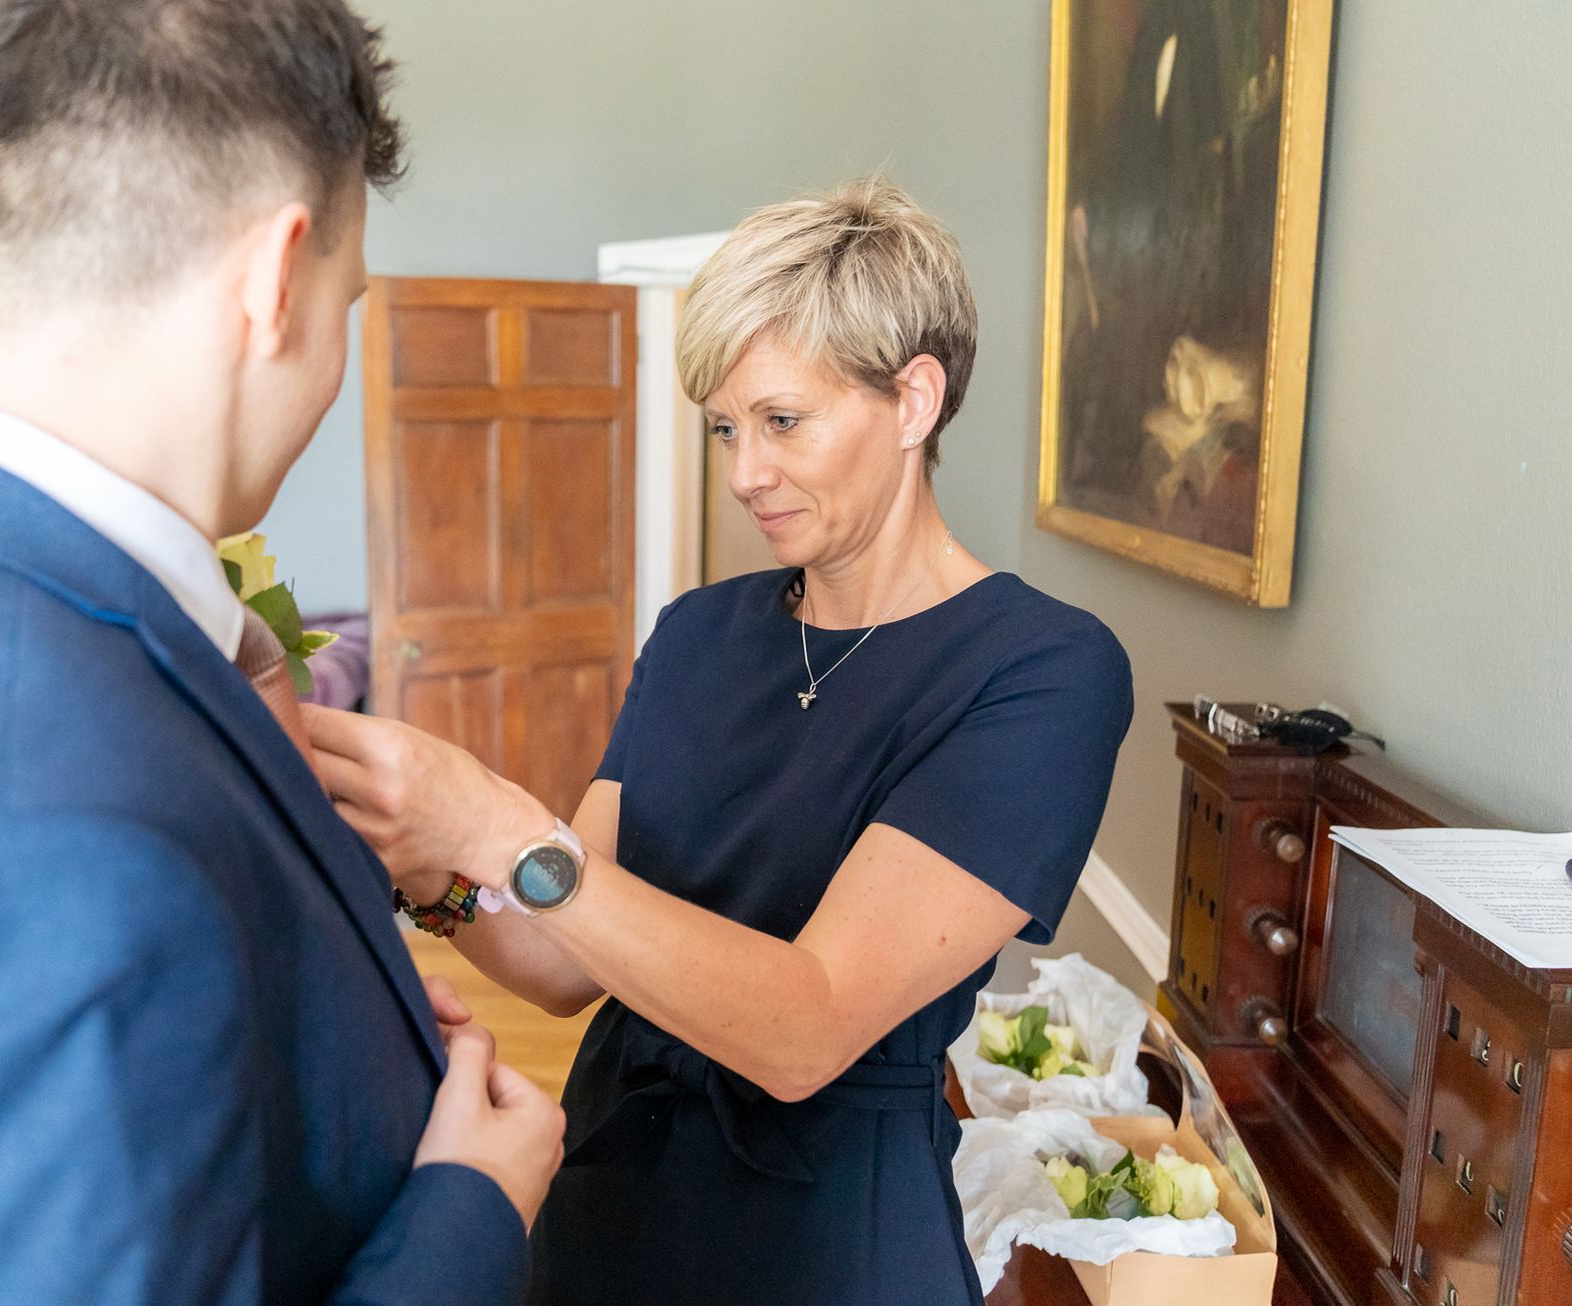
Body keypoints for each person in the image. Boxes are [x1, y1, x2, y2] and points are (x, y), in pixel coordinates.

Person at [0, 2, 563, 1302]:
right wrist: (469, 1208)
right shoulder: (46, 849)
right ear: (277, 282)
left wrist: (351, 1056)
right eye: (350, 301)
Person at [308, 179, 1134, 1304]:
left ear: (914, 399)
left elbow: (808, 1025)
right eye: (726, 427)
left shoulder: (1041, 670)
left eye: (783, 420)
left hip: (827, 1233)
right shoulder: (698, 633)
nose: (745, 471)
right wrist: (415, 860)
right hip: (608, 1191)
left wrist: (499, 829)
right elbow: (558, 963)